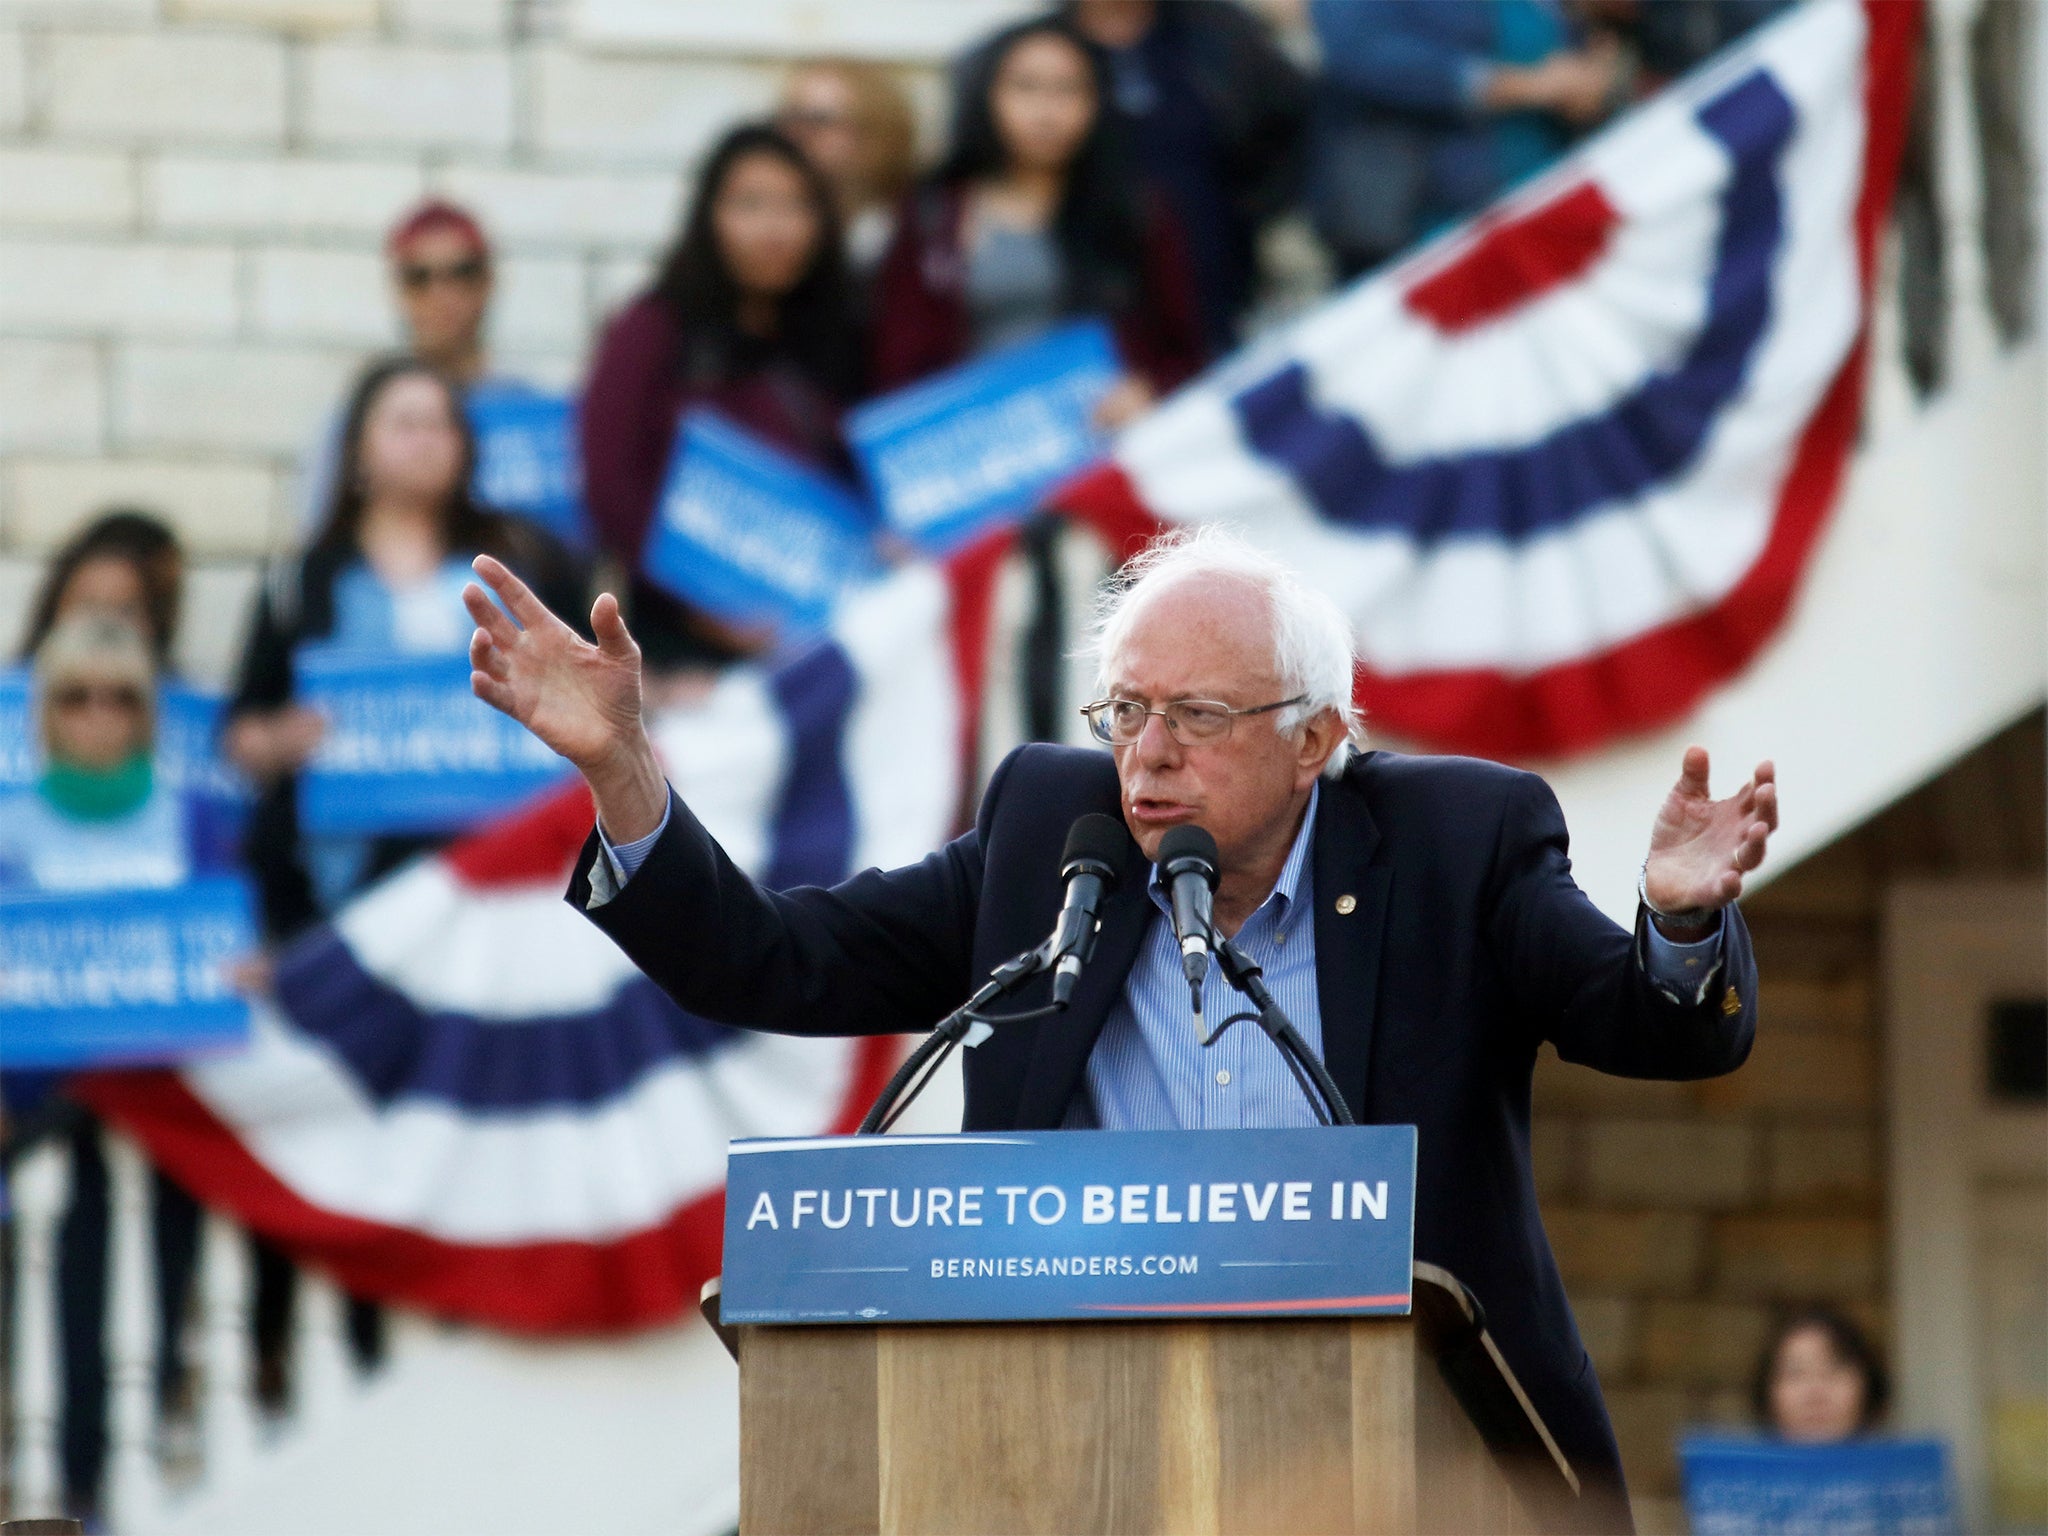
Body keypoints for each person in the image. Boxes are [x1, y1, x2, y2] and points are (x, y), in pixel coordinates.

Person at [460, 523, 1778, 1525]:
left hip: (1410, 1472)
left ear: (1317, 735)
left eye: (1195, 718)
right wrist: (625, 775)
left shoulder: (1458, 843)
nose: (1145, 755)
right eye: (1126, 710)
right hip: (1071, 1465)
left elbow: (1657, 1024)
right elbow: (773, 965)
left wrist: (1674, 921)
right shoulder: (1054, 834)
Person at [0, 615, 227, 1523]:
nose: (99, 716)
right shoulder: (6, 833)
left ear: (147, 716)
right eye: (77, 697)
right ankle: (75, 1477)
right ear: (49, 713)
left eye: (121, 699)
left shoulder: (199, 824)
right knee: (60, 1300)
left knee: (149, 1287)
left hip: (165, 1117)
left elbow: (233, 949)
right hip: (39, 1121)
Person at [578, 123, 864, 670]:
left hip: (816, 648)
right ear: (708, 215)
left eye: (796, 206)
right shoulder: (652, 329)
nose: (773, 228)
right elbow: (611, 487)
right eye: (749, 204)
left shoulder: (835, 336)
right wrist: (702, 611)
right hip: (680, 651)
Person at [871, 14, 1206, 406]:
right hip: (970, 446)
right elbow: (894, 368)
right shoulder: (933, 214)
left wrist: (1148, 392)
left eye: (1068, 89)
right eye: (1025, 87)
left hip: (1106, 447)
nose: (1047, 112)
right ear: (986, 95)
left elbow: (1185, 353)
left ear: (1098, 101)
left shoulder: (1137, 211)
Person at [1058, 0, 1311, 352]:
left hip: (1239, 271)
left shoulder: (1216, 27)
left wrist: (1265, 210)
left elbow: (1293, 118)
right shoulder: (1042, 49)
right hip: (1109, 306)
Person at [1307, 0, 1626, 278]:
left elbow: (1564, 31)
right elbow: (1361, 52)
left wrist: (1592, 76)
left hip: (1546, 182)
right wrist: (1522, 86)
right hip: (1428, 208)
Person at [295, 199, 528, 534]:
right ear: (399, 291)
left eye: (462, 272)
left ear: (488, 281)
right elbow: (322, 530)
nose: (441, 293)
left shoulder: (531, 411)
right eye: (419, 277)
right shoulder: (357, 419)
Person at [777, 59, 921, 277]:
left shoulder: (916, 230)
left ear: (875, 133)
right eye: (790, 118)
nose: (795, 134)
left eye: (819, 121)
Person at [14, 508, 185, 670]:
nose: (105, 623)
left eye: (127, 610)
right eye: (88, 606)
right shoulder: (8, 693)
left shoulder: (184, 697)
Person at [1752, 1307, 1891, 1443]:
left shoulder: (1903, 1466)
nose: (1815, 1394)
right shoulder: (1746, 1466)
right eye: (1795, 1373)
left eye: (1833, 1371)